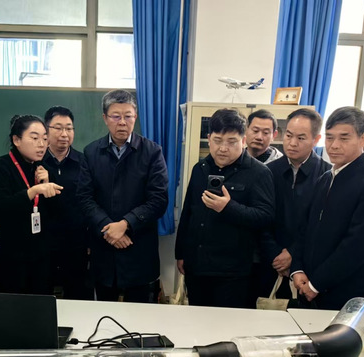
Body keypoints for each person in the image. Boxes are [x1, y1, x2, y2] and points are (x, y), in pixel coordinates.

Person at [291, 106, 364, 310]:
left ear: (363, 139)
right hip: (308, 288)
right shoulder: (325, 178)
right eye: (330, 138)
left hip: (345, 294)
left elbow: (358, 245)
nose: (334, 145)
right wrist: (297, 269)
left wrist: (317, 283)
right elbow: (305, 229)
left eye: (344, 138)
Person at [175, 108, 274, 308]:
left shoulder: (258, 172)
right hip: (197, 266)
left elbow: (265, 216)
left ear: (243, 141)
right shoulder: (200, 168)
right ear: (209, 139)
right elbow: (188, 213)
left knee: (228, 323)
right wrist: (181, 253)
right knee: (196, 319)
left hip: (232, 271)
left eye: (231, 142)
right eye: (218, 140)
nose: (223, 148)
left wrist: (228, 207)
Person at [77, 89, 168, 303]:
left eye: (128, 116)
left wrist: (126, 224)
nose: (122, 122)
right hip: (104, 247)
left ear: (135, 117)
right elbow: (84, 198)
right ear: (105, 118)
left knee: (140, 314)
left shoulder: (152, 152)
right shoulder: (91, 152)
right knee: (105, 313)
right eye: (116, 116)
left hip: (138, 247)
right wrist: (109, 229)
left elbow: (159, 199)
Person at [0, 115, 63, 294]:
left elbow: (57, 213)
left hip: (41, 260)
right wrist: (33, 191)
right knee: (11, 309)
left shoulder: (43, 169)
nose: (41, 144)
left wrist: (48, 183)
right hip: (9, 260)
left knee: (41, 307)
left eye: (45, 138)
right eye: (34, 138)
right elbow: (0, 209)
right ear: (16, 140)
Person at [260, 108, 331, 298]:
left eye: (301, 138)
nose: (292, 143)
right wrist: (275, 254)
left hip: (307, 268)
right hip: (269, 262)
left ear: (316, 140)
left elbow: (320, 225)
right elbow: (261, 218)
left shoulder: (327, 175)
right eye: (289, 135)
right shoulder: (267, 171)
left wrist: (292, 254)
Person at [41, 106, 93, 300]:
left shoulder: (85, 162)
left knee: (77, 296)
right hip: (43, 243)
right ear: (46, 130)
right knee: (43, 296)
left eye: (69, 128)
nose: (64, 134)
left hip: (76, 243)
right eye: (58, 128)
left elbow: (92, 201)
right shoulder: (36, 161)